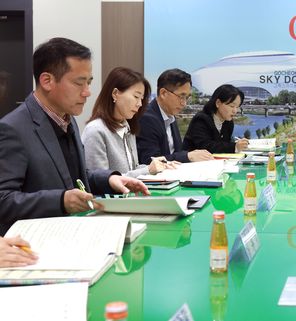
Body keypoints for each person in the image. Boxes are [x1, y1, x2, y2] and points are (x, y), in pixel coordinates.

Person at [0, 38, 149, 234]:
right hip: (38, 241)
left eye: (89, 82)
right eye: (79, 83)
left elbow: (74, 177)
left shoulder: (67, 119)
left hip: (73, 232)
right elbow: (4, 200)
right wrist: (60, 200)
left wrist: (109, 180)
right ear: (47, 81)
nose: (87, 92)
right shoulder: (12, 128)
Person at [82, 67, 169, 178]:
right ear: (115, 93)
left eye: (142, 99)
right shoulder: (95, 131)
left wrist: (159, 166)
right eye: (136, 96)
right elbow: (101, 181)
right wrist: (148, 170)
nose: (139, 104)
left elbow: (132, 169)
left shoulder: (127, 127)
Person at [136, 68, 212, 164]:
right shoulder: (146, 118)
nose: (184, 103)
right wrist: (187, 156)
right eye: (181, 96)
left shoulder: (170, 114)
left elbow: (176, 152)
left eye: (187, 97)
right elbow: (150, 161)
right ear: (163, 93)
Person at [183, 84, 249, 153]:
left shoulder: (228, 122)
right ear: (218, 103)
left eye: (237, 107)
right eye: (232, 106)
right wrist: (234, 147)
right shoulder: (201, 119)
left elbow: (224, 145)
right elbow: (205, 147)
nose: (235, 111)